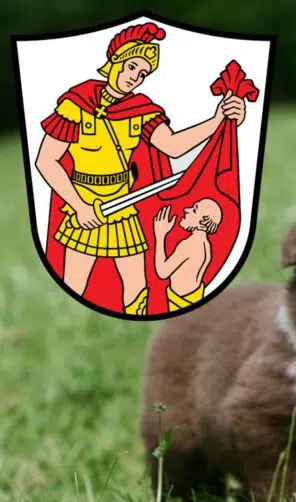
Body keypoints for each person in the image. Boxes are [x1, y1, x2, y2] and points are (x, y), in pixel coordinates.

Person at [33, 21, 246, 315]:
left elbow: (172, 146)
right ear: (115, 60)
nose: (136, 77)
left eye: (143, 73)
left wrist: (218, 120)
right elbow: (46, 161)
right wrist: (80, 206)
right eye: (132, 67)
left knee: (137, 289)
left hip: (123, 205)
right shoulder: (76, 105)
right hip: (85, 204)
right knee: (74, 286)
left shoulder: (141, 110)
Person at [152, 200, 221, 312]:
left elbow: (162, 272)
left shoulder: (189, 244)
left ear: (203, 222)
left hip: (179, 303)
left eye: (194, 210)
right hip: (192, 298)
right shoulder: (205, 245)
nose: (186, 210)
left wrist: (160, 236)